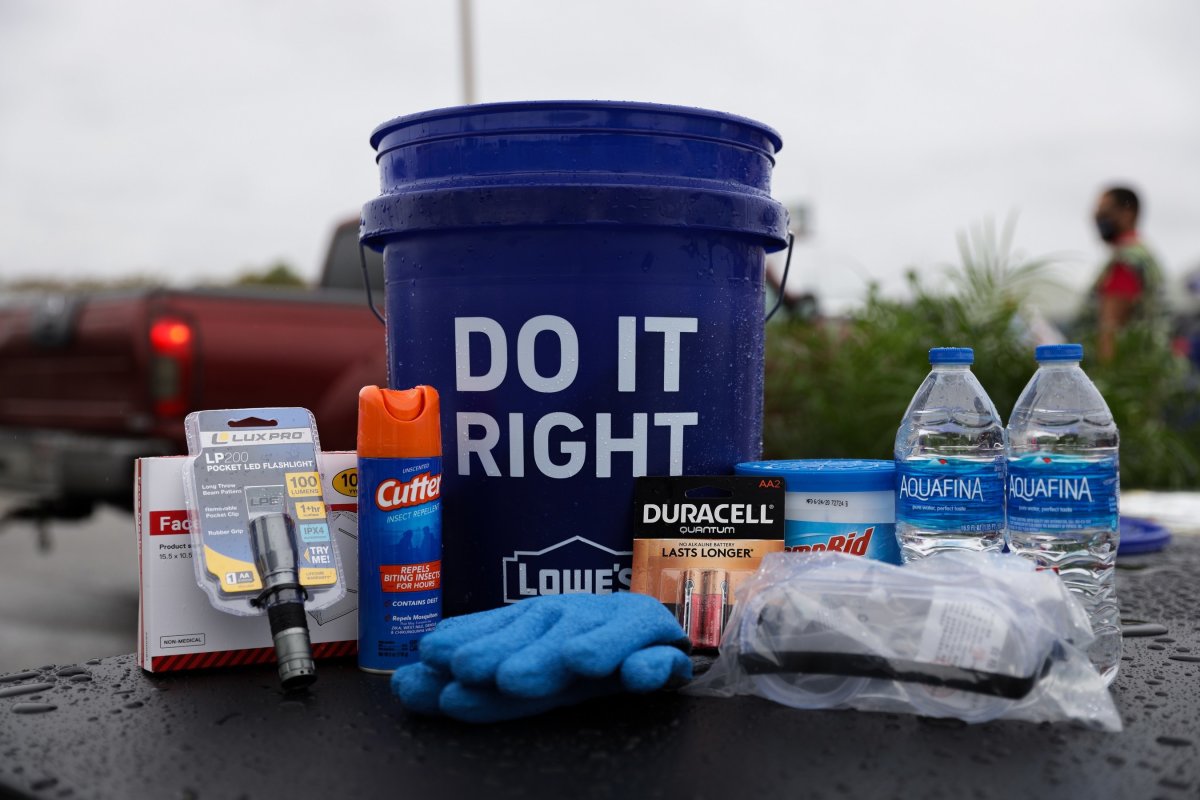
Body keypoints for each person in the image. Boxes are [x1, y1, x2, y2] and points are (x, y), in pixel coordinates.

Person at [1086, 186, 1166, 361]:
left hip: (1127, 374)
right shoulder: (1145, 255)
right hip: (1149, 367)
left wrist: (1104, 378)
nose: (1097, 216)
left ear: (1128, 213)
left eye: (1104, 210)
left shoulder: (1124, 262)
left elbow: (1110, 331)